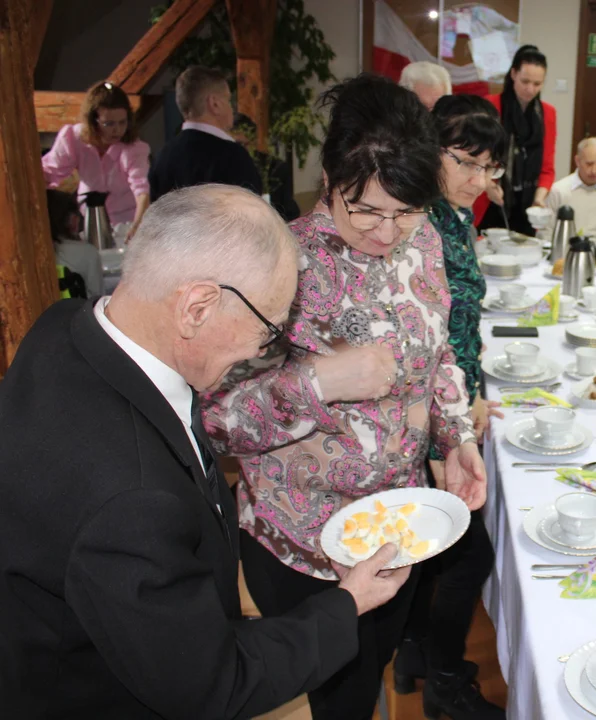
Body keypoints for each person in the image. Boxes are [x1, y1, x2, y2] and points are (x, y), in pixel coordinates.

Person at [0, 184, 412, 717]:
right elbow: (212, 684)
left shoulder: (67, 323)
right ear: (196, 307)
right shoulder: (132, 500)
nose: (262, 351)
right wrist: (349, 601)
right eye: (268, 329)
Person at [201, 74, 487, 720]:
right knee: (340, 700)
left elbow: (438, 354)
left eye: (406, 211)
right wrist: (323, 381)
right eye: (368, 210)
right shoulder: (278, 266)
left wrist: (456, 437)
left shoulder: (427, 243)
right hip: (308, 552)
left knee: (373, 673)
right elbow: (216, 419)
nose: (389, 233)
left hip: (400, 528)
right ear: (330, 176)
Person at [392, 93, 506, 720]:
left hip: (453, 397)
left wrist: (478, 388)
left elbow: (461, 321)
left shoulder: (455, 216)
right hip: (430, 407)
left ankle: (413, 656)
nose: (478, 180)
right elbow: (430, 332)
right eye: (466, 163)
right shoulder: (418, 222)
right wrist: (457, 415)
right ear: (431, 151)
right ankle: (442, 681)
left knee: (430, 543)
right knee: (468, 552)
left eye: (488, 168)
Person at [41, 80, 151, 242]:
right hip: (88, 223)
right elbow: (49, 173)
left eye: (123, 122)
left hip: (126, 224)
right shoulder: (73, 138)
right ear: (93, 121)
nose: (117, 130)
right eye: (109, 123)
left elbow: (142, 190)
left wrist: (138, 226)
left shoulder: (133, 148)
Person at [473, 45, 556, 235]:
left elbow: (547, 167)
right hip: (492, 200)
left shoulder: (547, 114)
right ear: (513, 74)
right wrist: (489, 185)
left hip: (527, 203)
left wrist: (540, 198)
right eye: (525, 81)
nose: (530, 89)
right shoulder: (491, 105)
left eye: (537, 84)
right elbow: (478, 158)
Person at [149, 66, 261, 200]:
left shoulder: (162, 159)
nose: (231, 108)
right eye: (228, 100)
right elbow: (252, 215)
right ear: (214, 104)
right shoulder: (234, 157)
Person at [543, 136, 596, 238]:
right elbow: (546, 234)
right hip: (563, 250)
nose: (594, 171)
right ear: (577, 161)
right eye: (589, 164)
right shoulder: (558, 191)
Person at [233, 113, 302, 222]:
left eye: (242, 145)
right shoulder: (221, 167)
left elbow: (289, 212)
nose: (236, 150)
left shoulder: (276, 169)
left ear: (253, 141)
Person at [47, 188, 103, 297]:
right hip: (76, 312)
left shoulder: (31, 254)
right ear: (72, 219)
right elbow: (97, 297)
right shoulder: (87, 253)